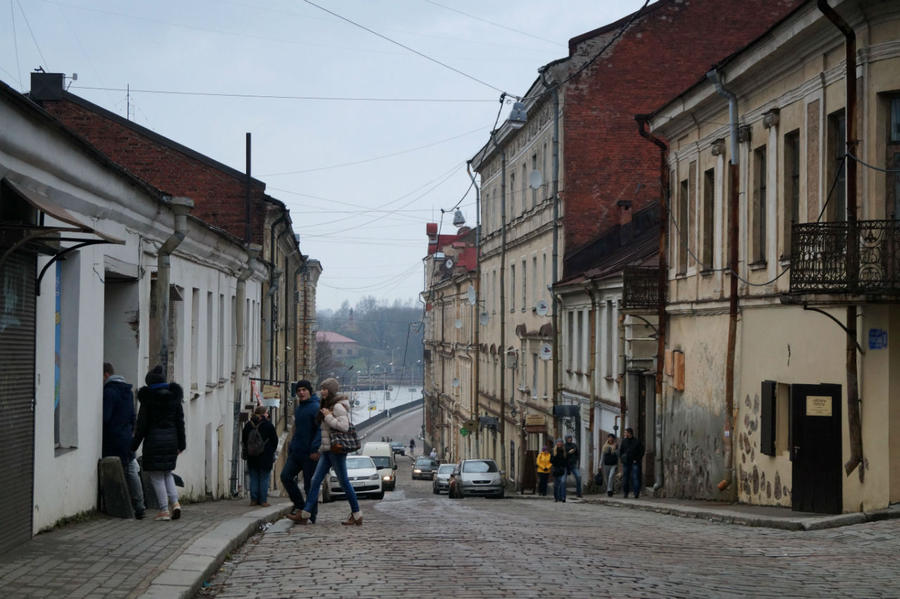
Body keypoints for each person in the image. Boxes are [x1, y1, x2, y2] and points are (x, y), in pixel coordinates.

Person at [289, 378, 362, 526]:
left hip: (336, 450)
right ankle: (306, 513)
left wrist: (328, 416)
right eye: (321, 388)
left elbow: (344, 426)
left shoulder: (337, 407)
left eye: (324, 389)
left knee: (344, 482)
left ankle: (357, 513)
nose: (322, 391)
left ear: (331, 391)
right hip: (327, 450)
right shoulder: (326, 405)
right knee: (315, 480)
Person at [132, 365, 186, 521]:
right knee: (168, 472)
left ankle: (163, 510)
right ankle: (175, 503)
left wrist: (133, 445)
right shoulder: (174, 398)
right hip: (171, 441)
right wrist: (181, 444)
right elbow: (180, 423)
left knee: (156, 476)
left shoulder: (148, 400)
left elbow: (141, 426)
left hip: (154, 442)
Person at [102, 362, 146, 519]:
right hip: (127, 437)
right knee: (132, 469)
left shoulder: (109, 392)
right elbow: (133, 416)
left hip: (113, 438)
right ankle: (139, 504)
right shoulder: (127, 391)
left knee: (119, 469)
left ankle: (120, 504)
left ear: (106, 374)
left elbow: (105, 418)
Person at [279, 380, 321, 522]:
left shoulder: (316, 407)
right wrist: (292, 447)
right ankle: (300, 506)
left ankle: (311, 515)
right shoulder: (299, 408)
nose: (301, 393)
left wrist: (315, 449)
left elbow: (319, 431)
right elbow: (297, 431)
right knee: (285, 476)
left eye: (304, 390)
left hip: (310, 454)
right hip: (296, 452)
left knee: (310, 485)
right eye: (299, 390)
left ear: (309, 391)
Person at [242, 405, 278, 506]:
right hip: (265, 456)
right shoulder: (268, 425)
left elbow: (244, 439)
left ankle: (253, 500)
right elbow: (274, 440)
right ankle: (263, 500)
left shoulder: (248, 425)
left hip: (252, 456)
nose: (268, 414)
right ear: (263, 414)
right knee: (264, 477)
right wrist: (270, 451)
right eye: (267, 412)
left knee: (253, 477)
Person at [619, 427, 645, 498]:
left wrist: (637, 459)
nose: (625, 434)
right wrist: (622, 458)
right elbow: (621, 451)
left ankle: (636, 493)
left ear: (629, 433)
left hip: (635, 462)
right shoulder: (624, 441)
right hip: (626, 462)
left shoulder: (636, 441)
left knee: (635, 477)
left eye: (625, 432)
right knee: (625, 478)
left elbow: (642, 451)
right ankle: (625, 492)